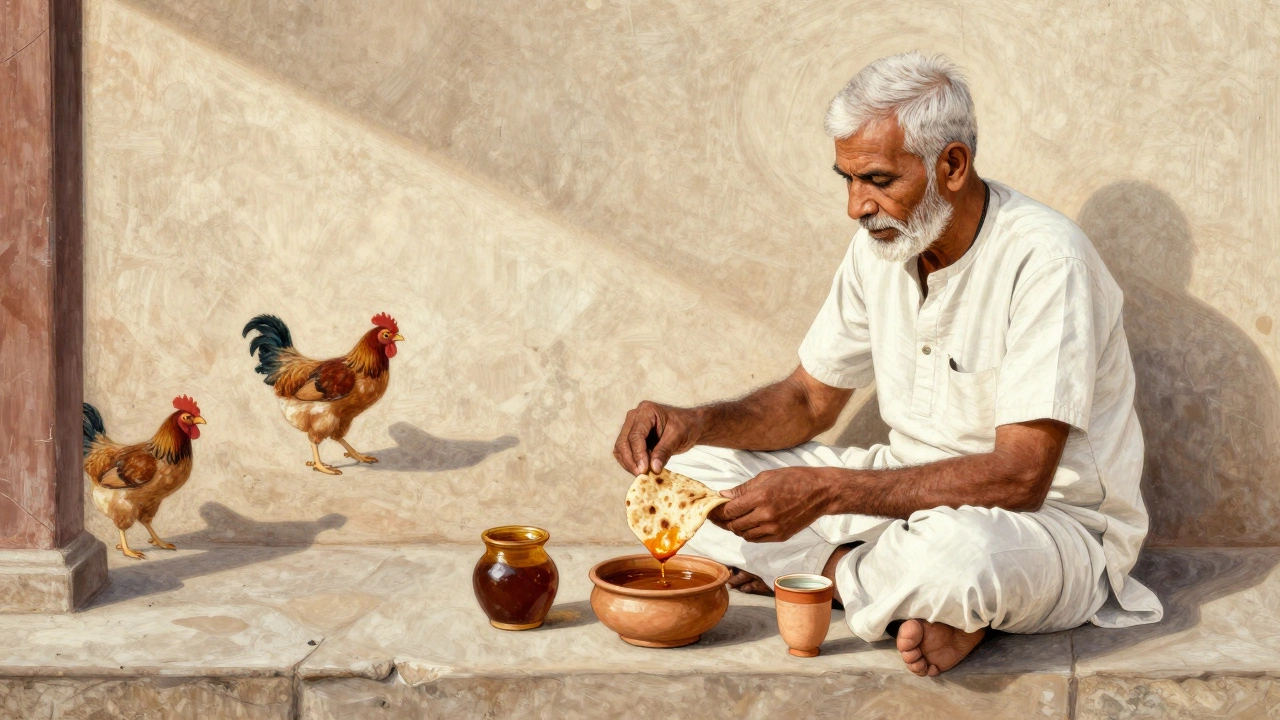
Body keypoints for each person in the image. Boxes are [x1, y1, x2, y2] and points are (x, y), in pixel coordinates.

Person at [612, 51, 1163, 676]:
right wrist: (695, 423)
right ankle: (902, 597)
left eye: (877, 179)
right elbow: (806, 402)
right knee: (679, 478)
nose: (856, 206)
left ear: (951, 165)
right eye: (847, 179)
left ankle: (841, 577)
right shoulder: (879, 247)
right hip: (898, 494)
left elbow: (1021, 478)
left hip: (1044, 528)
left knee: (961, 559)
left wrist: (828, 493)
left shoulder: (1048, 260)